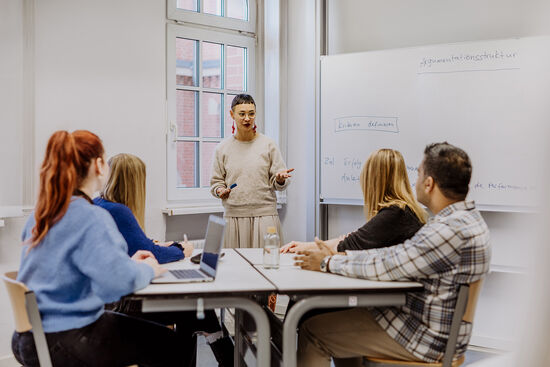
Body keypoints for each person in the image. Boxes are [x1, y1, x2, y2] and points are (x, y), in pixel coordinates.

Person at [295, 142, 491, 366]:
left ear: (429, 183)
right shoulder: (467, 222)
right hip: (438, 330)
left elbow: (388, 265)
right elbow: (395, 255)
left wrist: (327, 263)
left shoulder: (448, 231)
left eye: (418, 173)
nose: (413, 181)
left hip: (423, 337)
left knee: (313, 331)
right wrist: (338, 259)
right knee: (338, 317)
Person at [12, 130, 188, 367]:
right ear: (98, 165)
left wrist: (128, 264)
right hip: (66, 338)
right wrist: (150, 269)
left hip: (28, 337)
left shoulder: (42, 214)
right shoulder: (91, 216)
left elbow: (72, 271)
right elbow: (113, 288)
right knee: (173, 345)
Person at [94, 152, 234, 367]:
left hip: (110, 300)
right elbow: (152, 254)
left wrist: (156, 244)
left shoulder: (100, 203)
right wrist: (181, 249)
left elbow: (137, 245)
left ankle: (227, 361)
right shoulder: (119, 211)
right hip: (121, 305)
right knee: (197, 311)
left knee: (195, 311)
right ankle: (229, 361)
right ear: (134, 182)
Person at [281, 149, 426, 254]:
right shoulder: (405, 209)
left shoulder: (395, 213)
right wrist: (304, 246)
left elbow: (348, 245)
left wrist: (305, 248)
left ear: (373, 181)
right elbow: (353, 239)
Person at [210, 93, 294, 248]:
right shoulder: (222, 149)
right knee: (235, 267)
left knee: (268, 265)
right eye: (242, 114)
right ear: (232, 115)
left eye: (251, 114)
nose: (247, 119)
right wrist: (220, 190)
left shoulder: (269, 145)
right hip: (234, 216)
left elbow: (279, 181)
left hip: (265, 216)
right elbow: (216, 183)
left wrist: (280, 179)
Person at [94, 153, 193, 264]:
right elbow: (148, 253)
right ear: (136, 183)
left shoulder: (97, 202)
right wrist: (182, 251)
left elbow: (135, 242)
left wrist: (157, 245)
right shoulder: (118, 211)